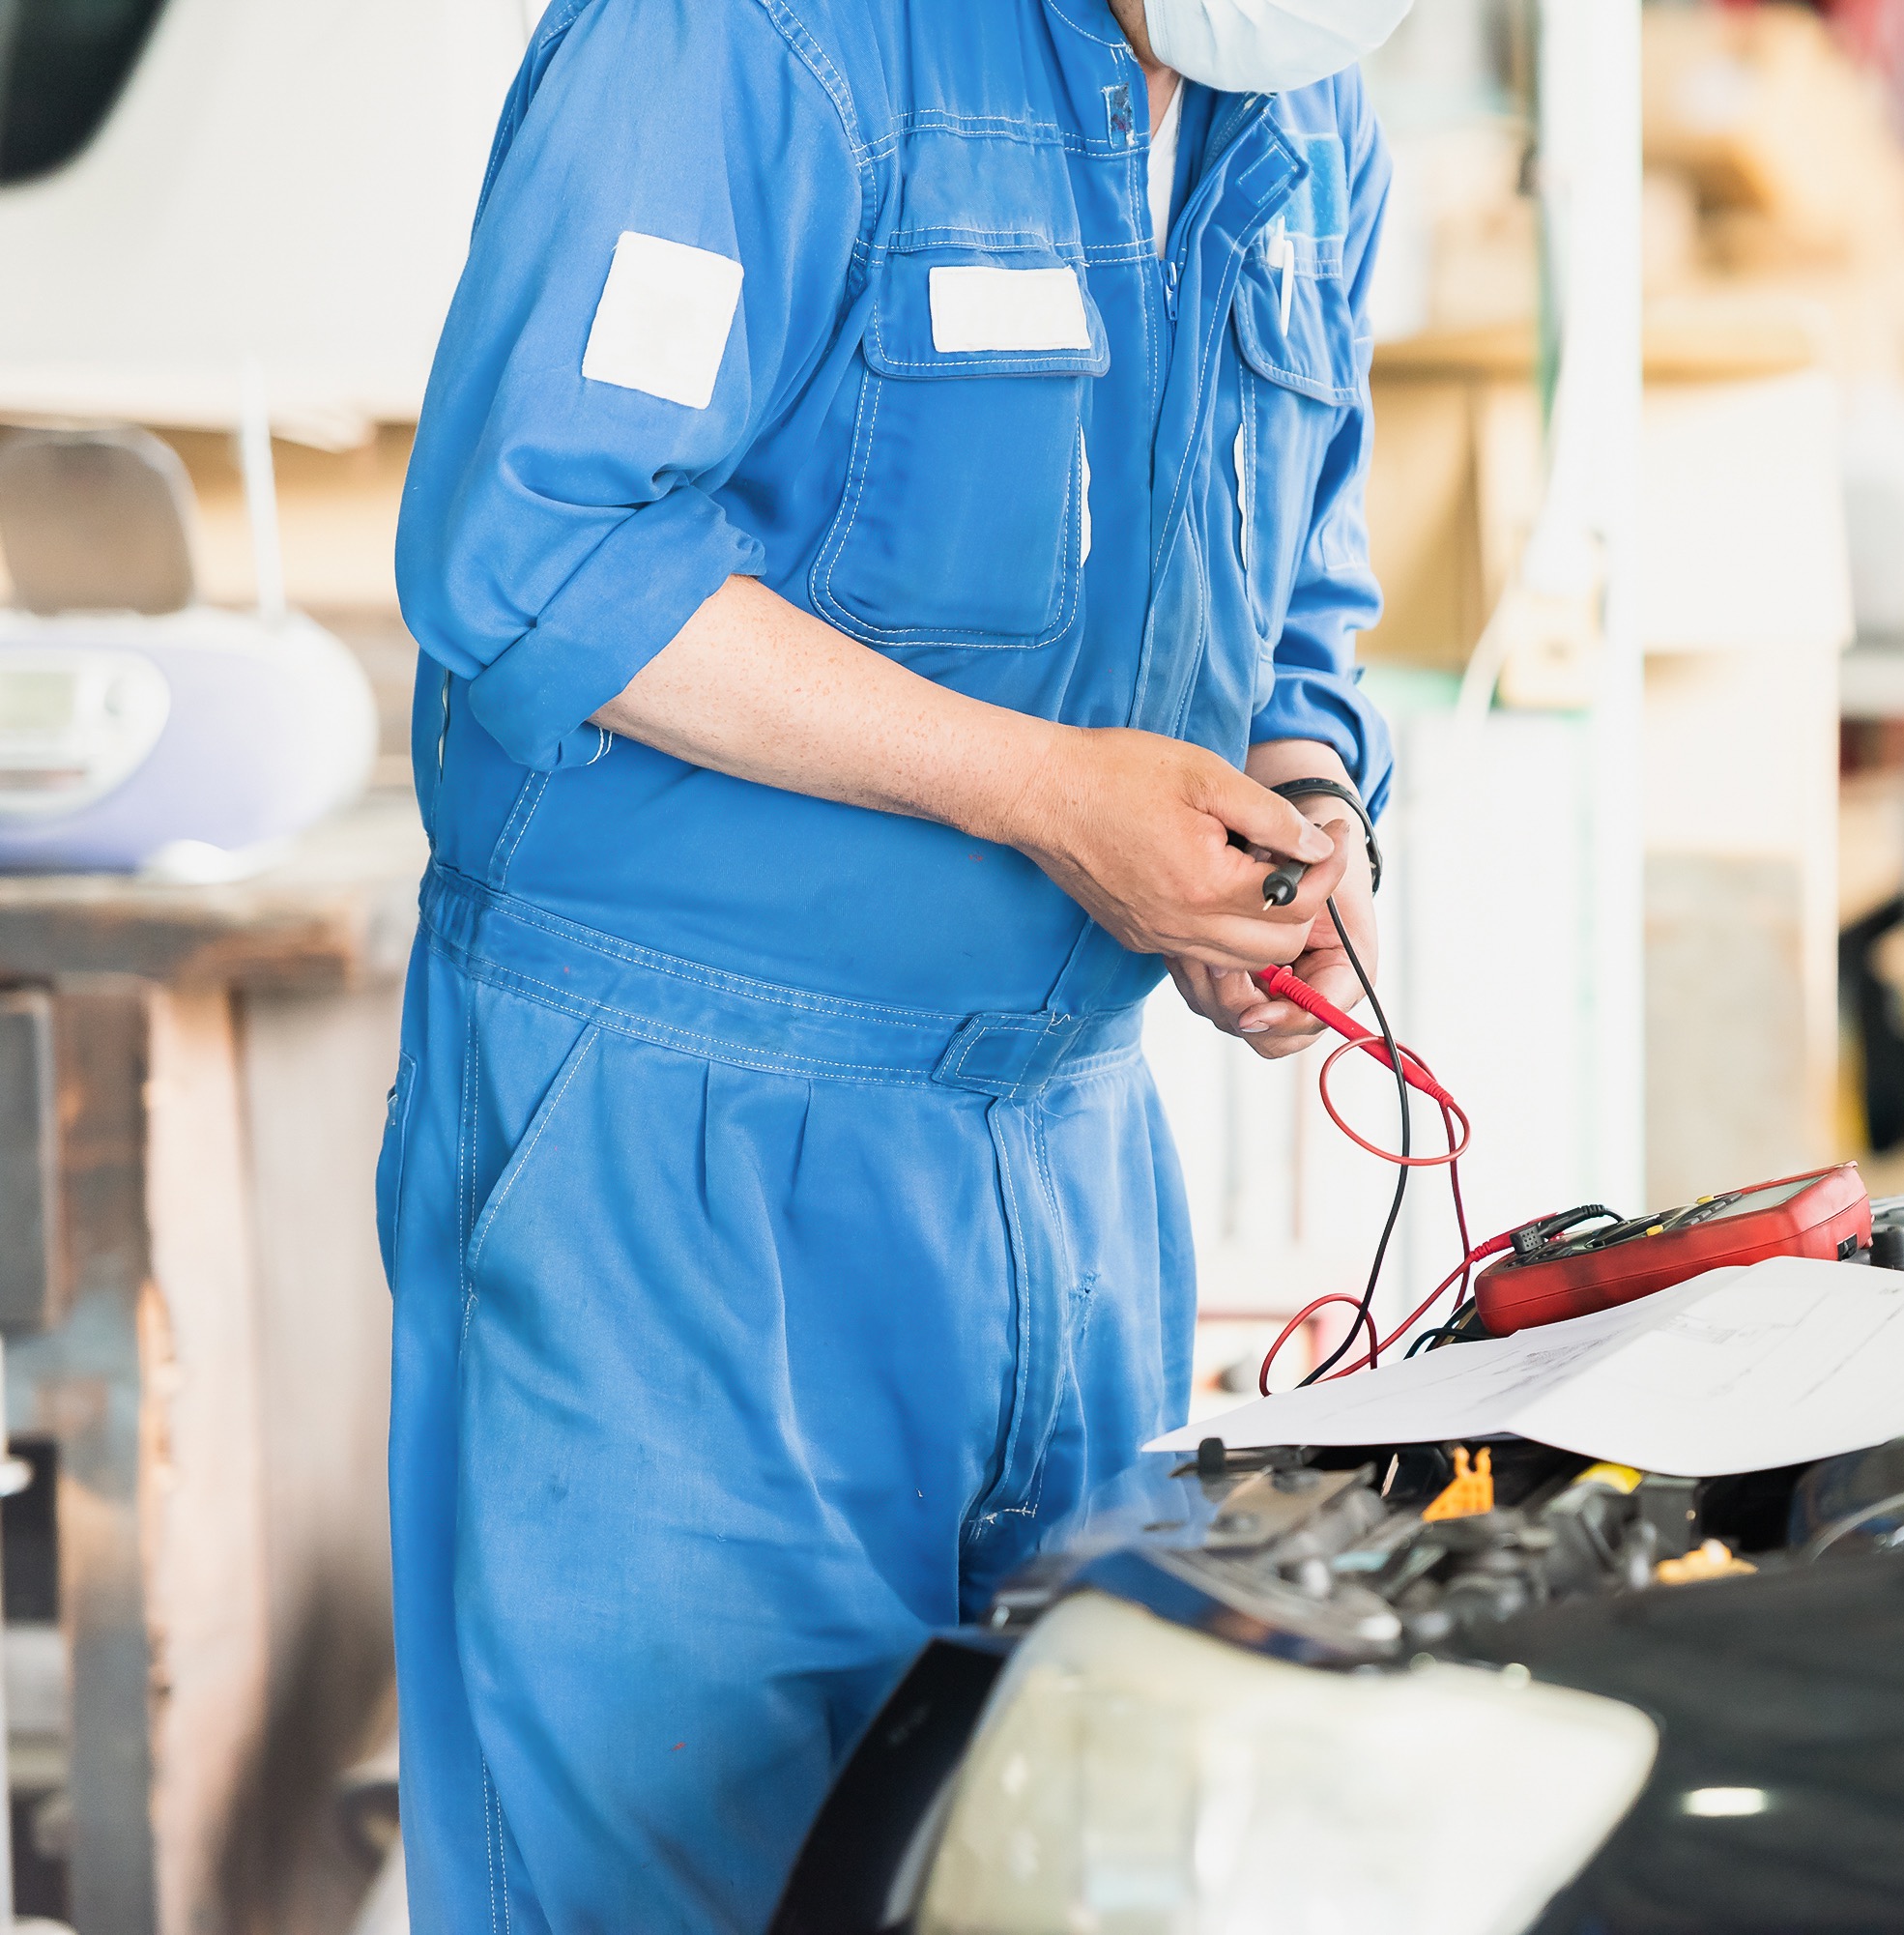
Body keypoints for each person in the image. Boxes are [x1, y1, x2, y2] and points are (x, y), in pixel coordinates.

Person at [379, 0, 1409, 1923]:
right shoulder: (743, 41)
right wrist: (1041, 791)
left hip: (1068, 1164)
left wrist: (1299, 789)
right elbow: (537, 549)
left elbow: (1305, 554)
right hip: (680, 1167)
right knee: (682, 1874)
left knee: (1031, 1866)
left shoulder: (1300, 100)